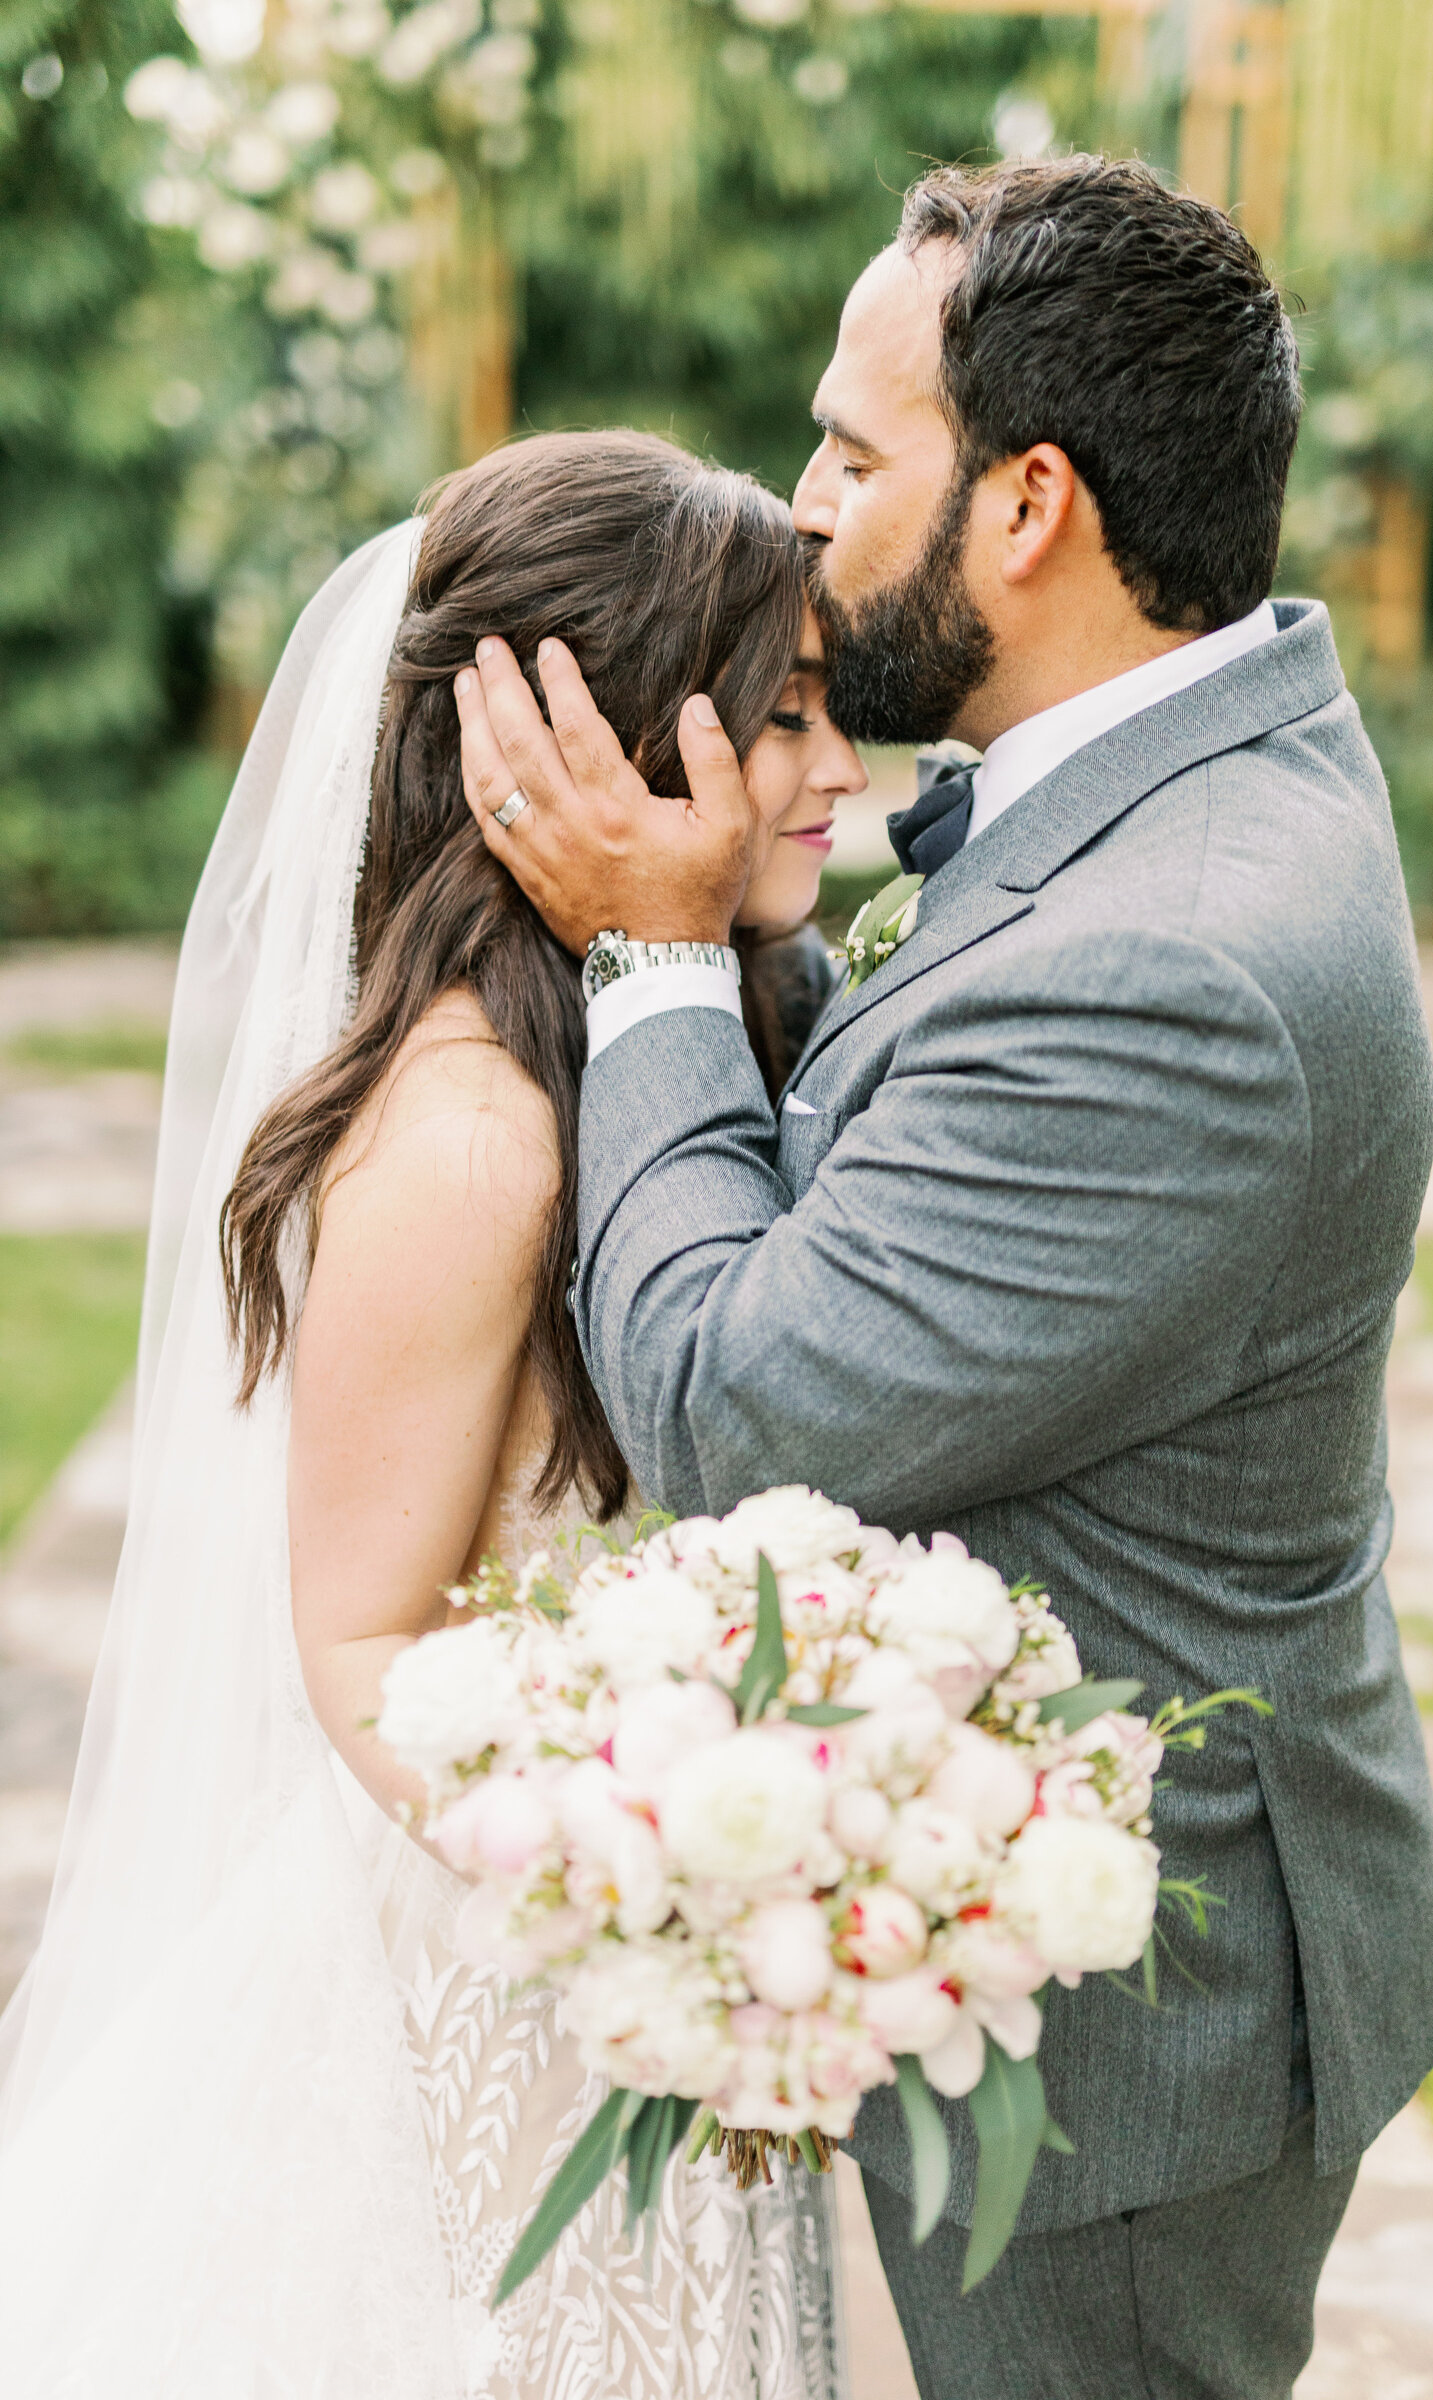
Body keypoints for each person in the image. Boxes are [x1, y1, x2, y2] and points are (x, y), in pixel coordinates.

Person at [453, 157, 1433, 2400]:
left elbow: (737, 1410)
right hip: (1062, 1895)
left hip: (1121, 2047)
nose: (800, 511)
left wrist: (651, 949)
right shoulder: (1184, 767)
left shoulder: (1176, 961)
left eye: (847, 450)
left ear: (1025, 507)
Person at [0, 431, 864, 2398]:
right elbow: (361, 1639)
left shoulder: (672, 1041)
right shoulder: (472, 1130)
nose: (837, 773)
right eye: (783, 717)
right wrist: (653, 1870)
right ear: (595, 744)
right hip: (520, 1981)